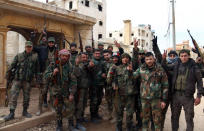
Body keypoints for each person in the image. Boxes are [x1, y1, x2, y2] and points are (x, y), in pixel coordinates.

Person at [164, 49, 203, 131]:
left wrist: (199, 96)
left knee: (189, 118)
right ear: (179, 57)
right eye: (182, 56)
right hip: (175, 96)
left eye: (185, 56)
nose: (183, 58)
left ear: (188, 56)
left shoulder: (194, 67)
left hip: (188, 97)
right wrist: (163, 59)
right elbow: (166, 67)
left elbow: (200, 82)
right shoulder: (176, 64)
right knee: (174, 117)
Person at [4, 41, 40, 121]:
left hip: (27, 81)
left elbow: (37, 70)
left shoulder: (35, 57)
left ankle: (25, 111)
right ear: (25, 47)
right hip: (17, 80)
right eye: (27, 47)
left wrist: (38, 80)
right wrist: (7, 74)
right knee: (13, 96)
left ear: (32, 47)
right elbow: (12, 65)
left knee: (26, 97)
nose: (28, 48)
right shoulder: (19, 55)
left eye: (30, 47)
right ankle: (11, 113)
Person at [133, 52, 168, 131]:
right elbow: (133, 76)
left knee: (157, 119)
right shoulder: (141, 68)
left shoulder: (160, 69)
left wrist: (164, 100)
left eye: (150, 59)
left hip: (156, 99)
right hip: (144, 99)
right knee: (145, 118)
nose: (149, 61)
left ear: (154, 59)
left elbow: (165, 85)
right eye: (147, 59)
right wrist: (129, 71)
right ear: (145, 60)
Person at [44, 49, 78, 131]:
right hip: (56, 92)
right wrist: (53, 73)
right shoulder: (53, 65)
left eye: (66, 56)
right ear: (59, 56)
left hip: (66, 92)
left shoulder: (70, 67)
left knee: (70, 108)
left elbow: (73, 82)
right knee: (58, 109)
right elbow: (45, 76)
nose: (64, 57)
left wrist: (71, 94)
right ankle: (59, 125)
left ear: (68, 57)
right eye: (63, 56)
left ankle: (70, 125)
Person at [108, 53, 135, 131]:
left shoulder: (133, 67)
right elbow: (113, 80)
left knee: (129, 113)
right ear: (121, 59)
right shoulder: (117, 68)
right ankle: (119, 127)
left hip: (130, 94)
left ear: (129, 59)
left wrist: (131, 71)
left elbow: (135, 79)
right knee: (119, 112)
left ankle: (128, 127)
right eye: (123, 58)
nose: (125, 59)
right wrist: (114, 84)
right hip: (119, 94)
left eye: (127, 58)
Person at [34, 37, 58, 116]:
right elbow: (34, 48)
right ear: (48, 43)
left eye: (52, 42)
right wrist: (33, 37)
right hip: (44, 74)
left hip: (53, 74)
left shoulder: (57, 51)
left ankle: (51, 106)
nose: (51, 44)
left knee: (52, 92)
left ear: (54, 43)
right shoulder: (43, 49)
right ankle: (39, 109)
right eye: (50, 42)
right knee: (42, 92)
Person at [74, 52, 91, 131]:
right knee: (79, 106)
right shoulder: (77, 66)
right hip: (80, 89)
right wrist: (77, 64)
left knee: (84, 104)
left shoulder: (86, 65)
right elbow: (77, 74)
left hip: (85, 88)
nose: (85, 59)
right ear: (80, 58)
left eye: (85, 57)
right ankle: (77, 122)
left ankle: (81, 117)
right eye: (83, 57)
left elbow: (90, 70)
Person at [89, 49, 106, 122]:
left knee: (99, 100)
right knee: (93, 101)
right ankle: (92, 116)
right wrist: (90, 66)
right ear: (93, 54)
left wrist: (104, 75)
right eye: (96, 53)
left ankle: (96, 114)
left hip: (100, 84)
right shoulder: (91, 61)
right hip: (93, 85)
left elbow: (104, 71)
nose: (98, 55)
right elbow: (88, 68)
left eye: (99, 53)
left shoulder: (102, 62)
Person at [103, 50, 114, 120]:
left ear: (110, 55)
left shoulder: (114, 62)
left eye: (107, 55)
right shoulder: (103, 63)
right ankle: (110, 114)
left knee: (114, 100)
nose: (106, 56)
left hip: (113, 85)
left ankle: (114, 115)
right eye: (104, 55)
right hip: (106, 85)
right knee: (108, 100)